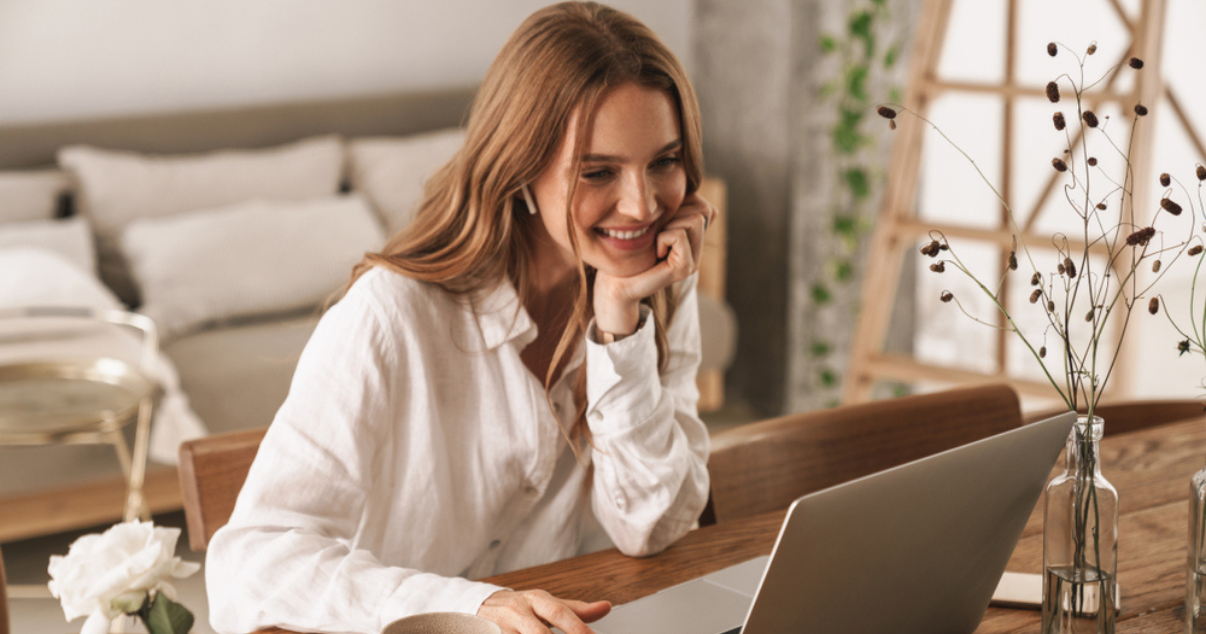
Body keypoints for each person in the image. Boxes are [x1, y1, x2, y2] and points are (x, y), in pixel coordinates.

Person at [205, 3, 716, 633]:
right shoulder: (391, 316)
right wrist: (470, 605)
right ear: (521, 172)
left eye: (663, 161)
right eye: (598, 171)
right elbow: (252, 563)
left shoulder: (648, 290)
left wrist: (619, 330)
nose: (643, 204)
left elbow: (656, 526)